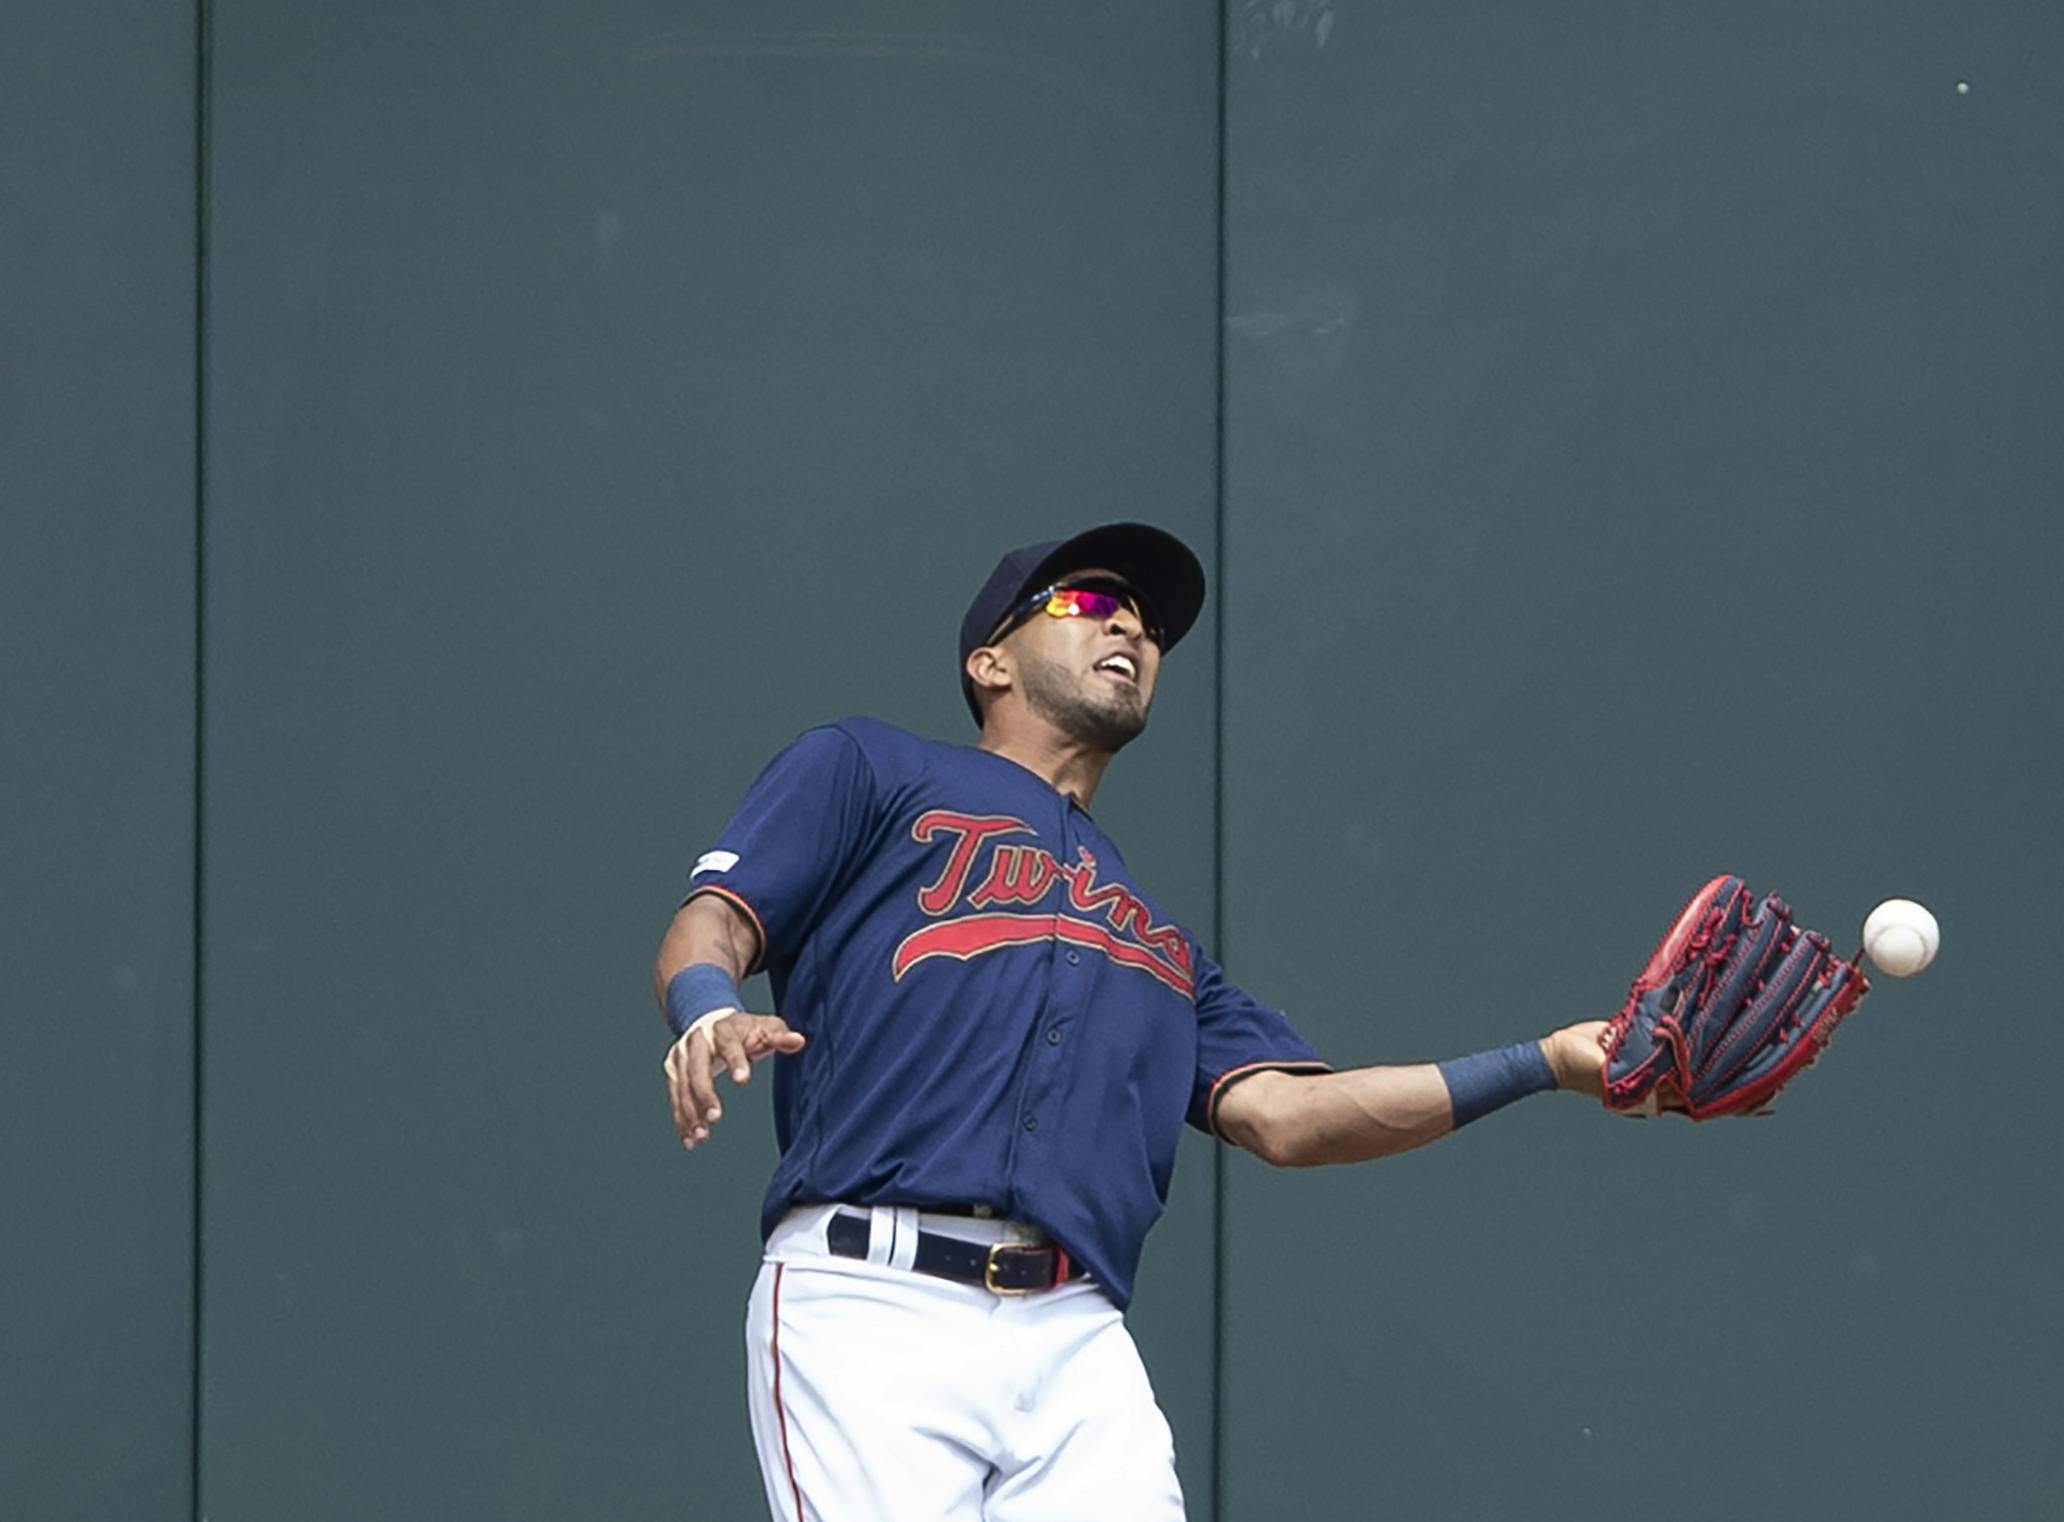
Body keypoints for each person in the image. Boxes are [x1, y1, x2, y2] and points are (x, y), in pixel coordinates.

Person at [652, 522, 1609, 1522]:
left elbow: (1291, 1117)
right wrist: (706, 1005)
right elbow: (712, 919)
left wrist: (1542, 1061)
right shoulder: (872, 769)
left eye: (1148, 623)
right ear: (990, 662)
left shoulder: (1158, 940)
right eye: (1089, 603)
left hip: (1074, 1337)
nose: (1134, 631)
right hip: (870, 1297)